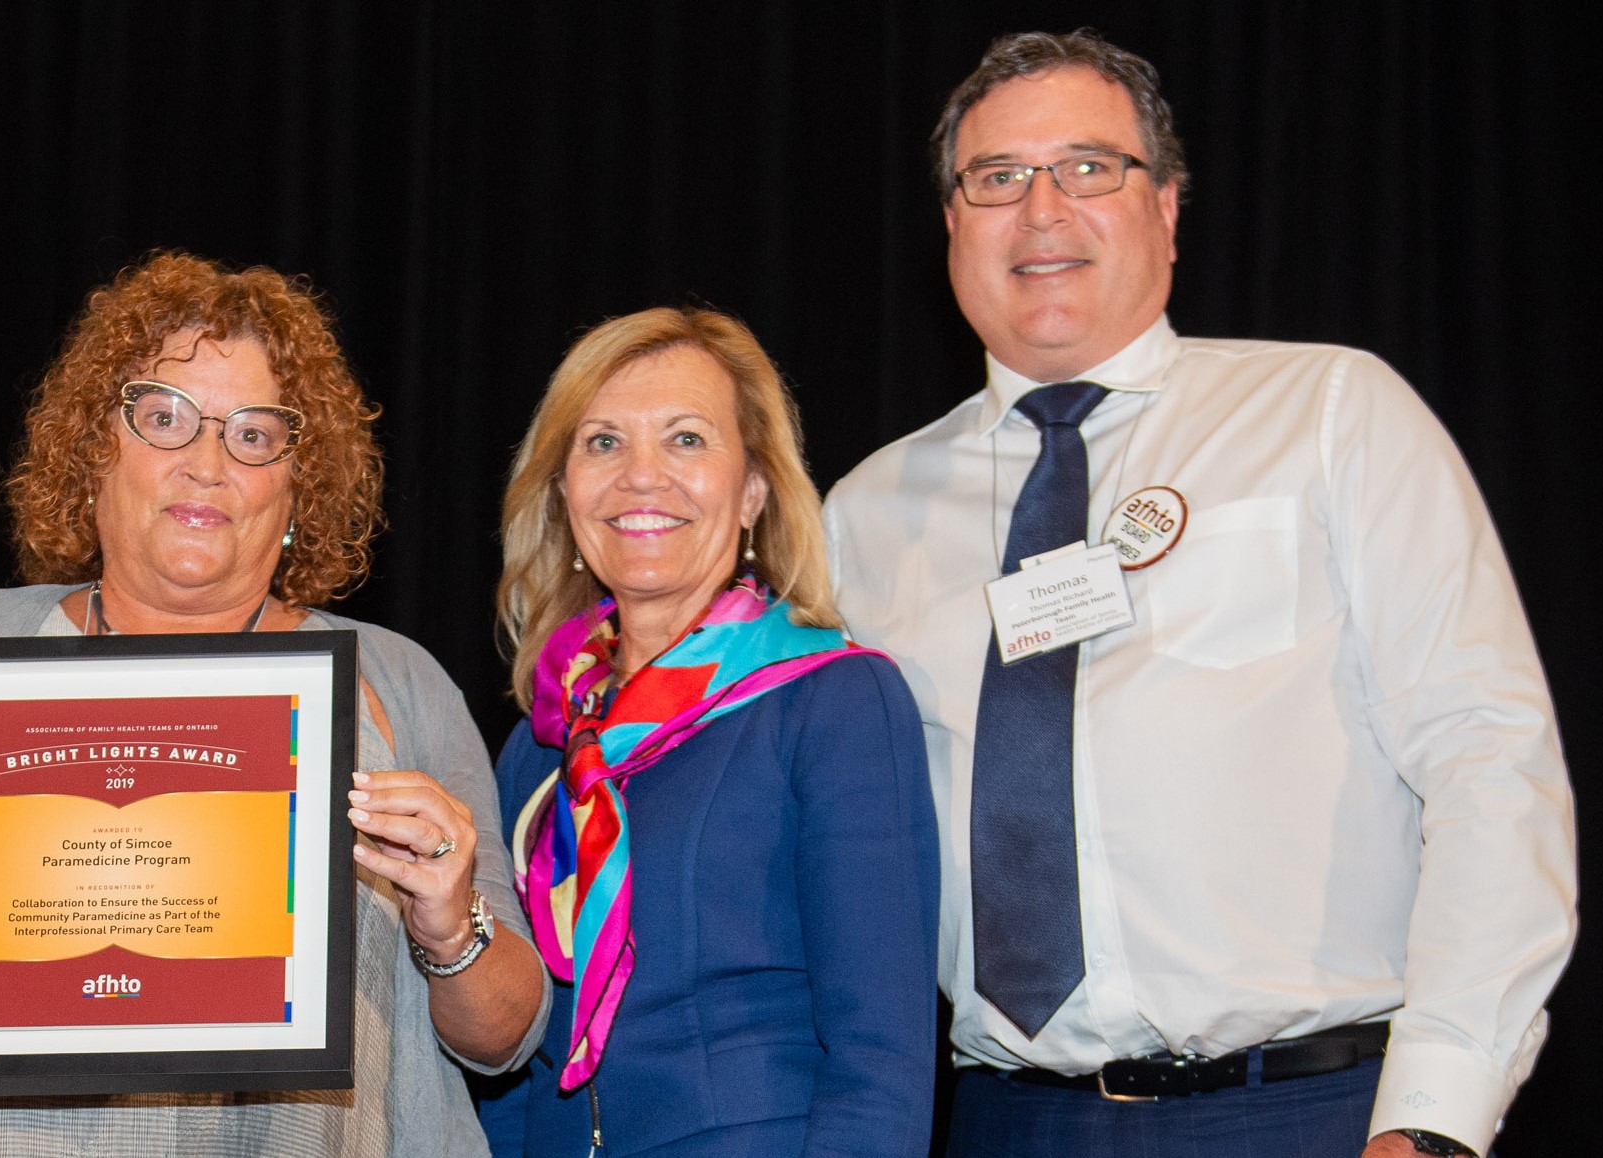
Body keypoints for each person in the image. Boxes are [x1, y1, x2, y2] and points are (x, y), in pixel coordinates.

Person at [823, 29, 1575, 1158]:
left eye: (1088, 167)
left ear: (1166, 208)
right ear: (950, 222)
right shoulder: (863, 515)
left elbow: (1489, 758)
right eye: (997, 177)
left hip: (1312, 1114)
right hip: (1005, 1122)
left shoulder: (1329, 412)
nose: (1040, 210)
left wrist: (1433, 1121)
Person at [0, 251, 549, 1155]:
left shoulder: (394, 684)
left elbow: (504, 1037)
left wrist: (449, 926)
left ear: (299, 484)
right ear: (92, 450)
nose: (206, 464)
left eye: (253, 435)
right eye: (164, 418)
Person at [473, 306, 938, 1156]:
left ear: (753, 488)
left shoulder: (836, 702)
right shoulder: (539, 746)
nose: (640, 476)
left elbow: (880, 1059)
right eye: (602, 443)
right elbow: (506, 1064)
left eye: (685, 439)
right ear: (563, 492)